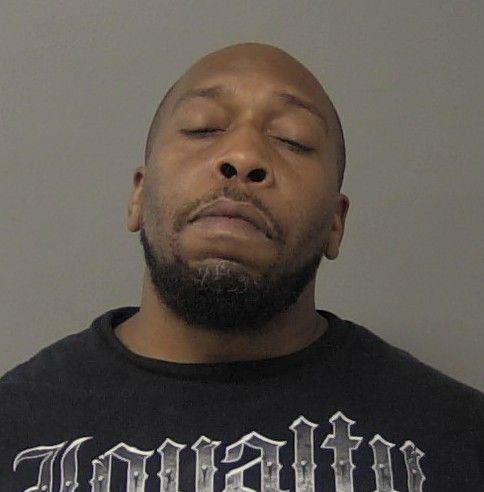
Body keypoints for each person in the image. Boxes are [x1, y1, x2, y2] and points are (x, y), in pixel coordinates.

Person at [0, 42, 482, 491]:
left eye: (293, 140)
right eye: (203, 127)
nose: (244, 155)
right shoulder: (16, 424)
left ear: (335, 224)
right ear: (139, 196)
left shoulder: (458, 438)